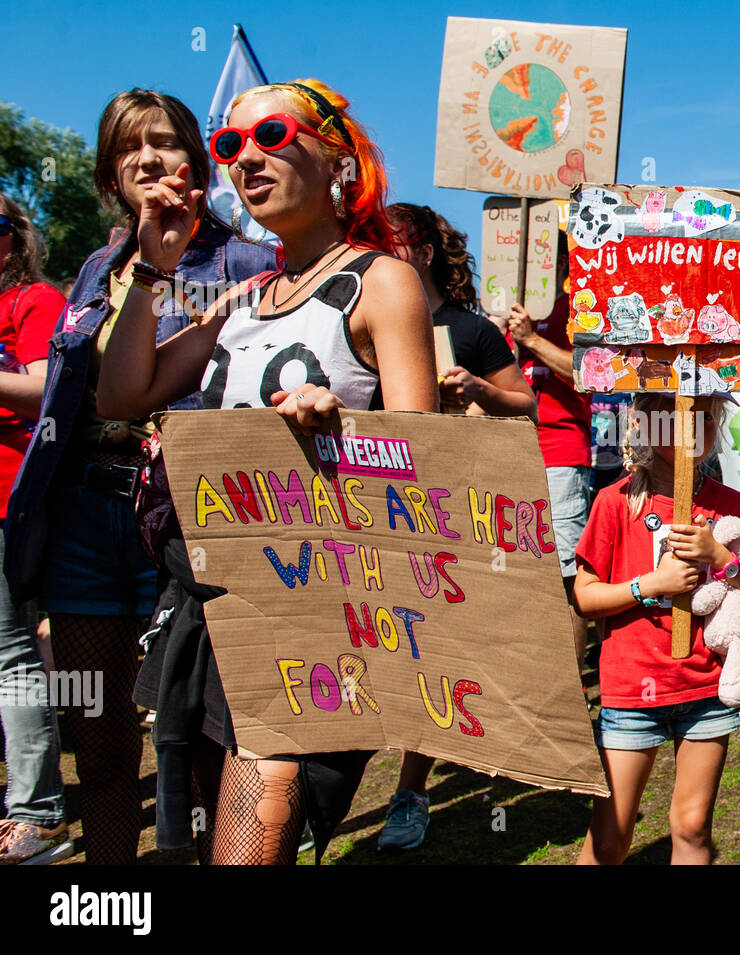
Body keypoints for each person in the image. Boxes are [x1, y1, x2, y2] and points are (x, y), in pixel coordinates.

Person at [96, 78, 438, 864]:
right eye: (229, 145)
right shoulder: (246, 298)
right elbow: (122, 391)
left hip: (314, 617)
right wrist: (153, 265)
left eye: (273, 136)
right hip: (212, 608)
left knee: (249, 851)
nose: (246, 156)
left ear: (340, 162)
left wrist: (342, 426)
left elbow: (424, 462)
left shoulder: (380, 280)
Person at [4, 91, 275, 864]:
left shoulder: (248, 261)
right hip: (86, 520)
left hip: (195, 521)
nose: (150, 159)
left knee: (212, 737)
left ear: (199, 158)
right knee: (102, 748)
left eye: (165, 142)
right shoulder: (98, 267)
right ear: (110, 172)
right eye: (130, 148)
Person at [376, 202, 535, 852]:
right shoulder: (365, 320)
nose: (394, 252)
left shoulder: (469, 329)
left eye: (403, 241)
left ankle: (409, 790)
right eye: (381, 241)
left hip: (448, 509)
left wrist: (478, 391)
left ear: (430, 250)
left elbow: (523, 405)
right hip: (372, 508)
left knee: (430, 649)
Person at [572, 392, 740, 864]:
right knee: (609, 838)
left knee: (692, 827)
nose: (693, 431)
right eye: (679, 419)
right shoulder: (614, 501)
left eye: (705, 420)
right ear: (646, 426)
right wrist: (650, 585)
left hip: (704, 685)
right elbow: (585, 597)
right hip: (630, 689)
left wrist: (721, 559)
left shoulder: (728, 504)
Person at [0, 195, 70, 864]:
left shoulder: (35, 301)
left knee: (10, 651)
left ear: (14, 236)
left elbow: (45, 388)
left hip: (7, 494)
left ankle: (40, 813)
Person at [508, 247, 593, 666]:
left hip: (559, 454)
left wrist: (532, 340)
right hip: (512, 454)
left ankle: (574, 688)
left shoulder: (574, 309)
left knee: (564, 576)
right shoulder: (507, 315)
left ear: (560, 265)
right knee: (521, 576)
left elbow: (588, 373)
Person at [387, 203, 535, 419]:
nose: (378, 258)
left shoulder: (475, 330)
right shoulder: (358, 321)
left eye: (390, 246)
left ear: (425, 254)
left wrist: (477, 389)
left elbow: (529, 409)